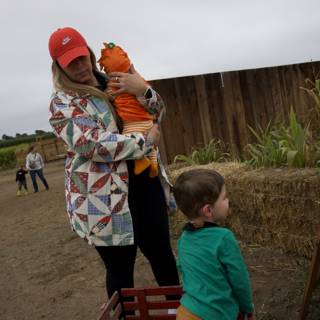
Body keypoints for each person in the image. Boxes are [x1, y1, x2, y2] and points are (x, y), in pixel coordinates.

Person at [47, 27, 179, 308]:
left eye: (82, 57)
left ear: (90, 54)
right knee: (120, 273)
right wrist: (144, 142)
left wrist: (142, 89)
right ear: (59, 66)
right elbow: (92, 145)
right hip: (102, 200)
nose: (80, 65)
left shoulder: (117, 81)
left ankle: (179, 312)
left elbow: (160, 112)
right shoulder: (62, 104)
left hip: (144, 186)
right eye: (71, 62)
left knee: (164, 258)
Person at [173, 169, 254, 320]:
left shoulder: (183, 239)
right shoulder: (224, 238)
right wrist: (247, 307)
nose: (228, 201)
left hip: (185, 313)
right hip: (217, 314)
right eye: (224, 197)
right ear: (208, 210)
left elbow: (183, 269)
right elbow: (239, 279)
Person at [98, 42, 160, 177]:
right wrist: (143, 88)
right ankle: (154, 164)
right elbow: (159, 111)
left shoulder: (112, 84)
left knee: (129, 135)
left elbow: (160, 109)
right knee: (152, 145)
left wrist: (142, 89)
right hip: (148, 122)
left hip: (131, 124)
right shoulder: (137, 79)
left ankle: (142, 161)